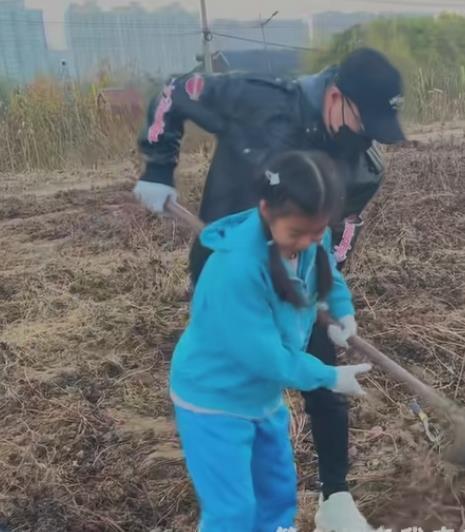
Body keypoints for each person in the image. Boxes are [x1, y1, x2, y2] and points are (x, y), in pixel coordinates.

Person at [133, 47, 405, 530]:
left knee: (311, 382)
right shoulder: (260, 101)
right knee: (246, 375)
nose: (366, 139)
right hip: (230, 276)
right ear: (337, 98)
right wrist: (158, 166)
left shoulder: (363, 166)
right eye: (364, 124)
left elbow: (339, 235)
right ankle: (229, 485)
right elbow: (176, 90)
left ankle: (335, 499)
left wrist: (333, 303)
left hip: (300, 278)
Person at [171, 150, 372, 531]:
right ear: (266, 209)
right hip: (214, 399)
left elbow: (326, 269)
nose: (308, 242)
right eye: (297, 234)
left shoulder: (309, 233)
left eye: (317, 232)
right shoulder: (235, 271)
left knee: (277, 495)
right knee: (233, 511)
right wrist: (329, 376)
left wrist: (342, 311)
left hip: (261, 398)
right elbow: (269, 359)